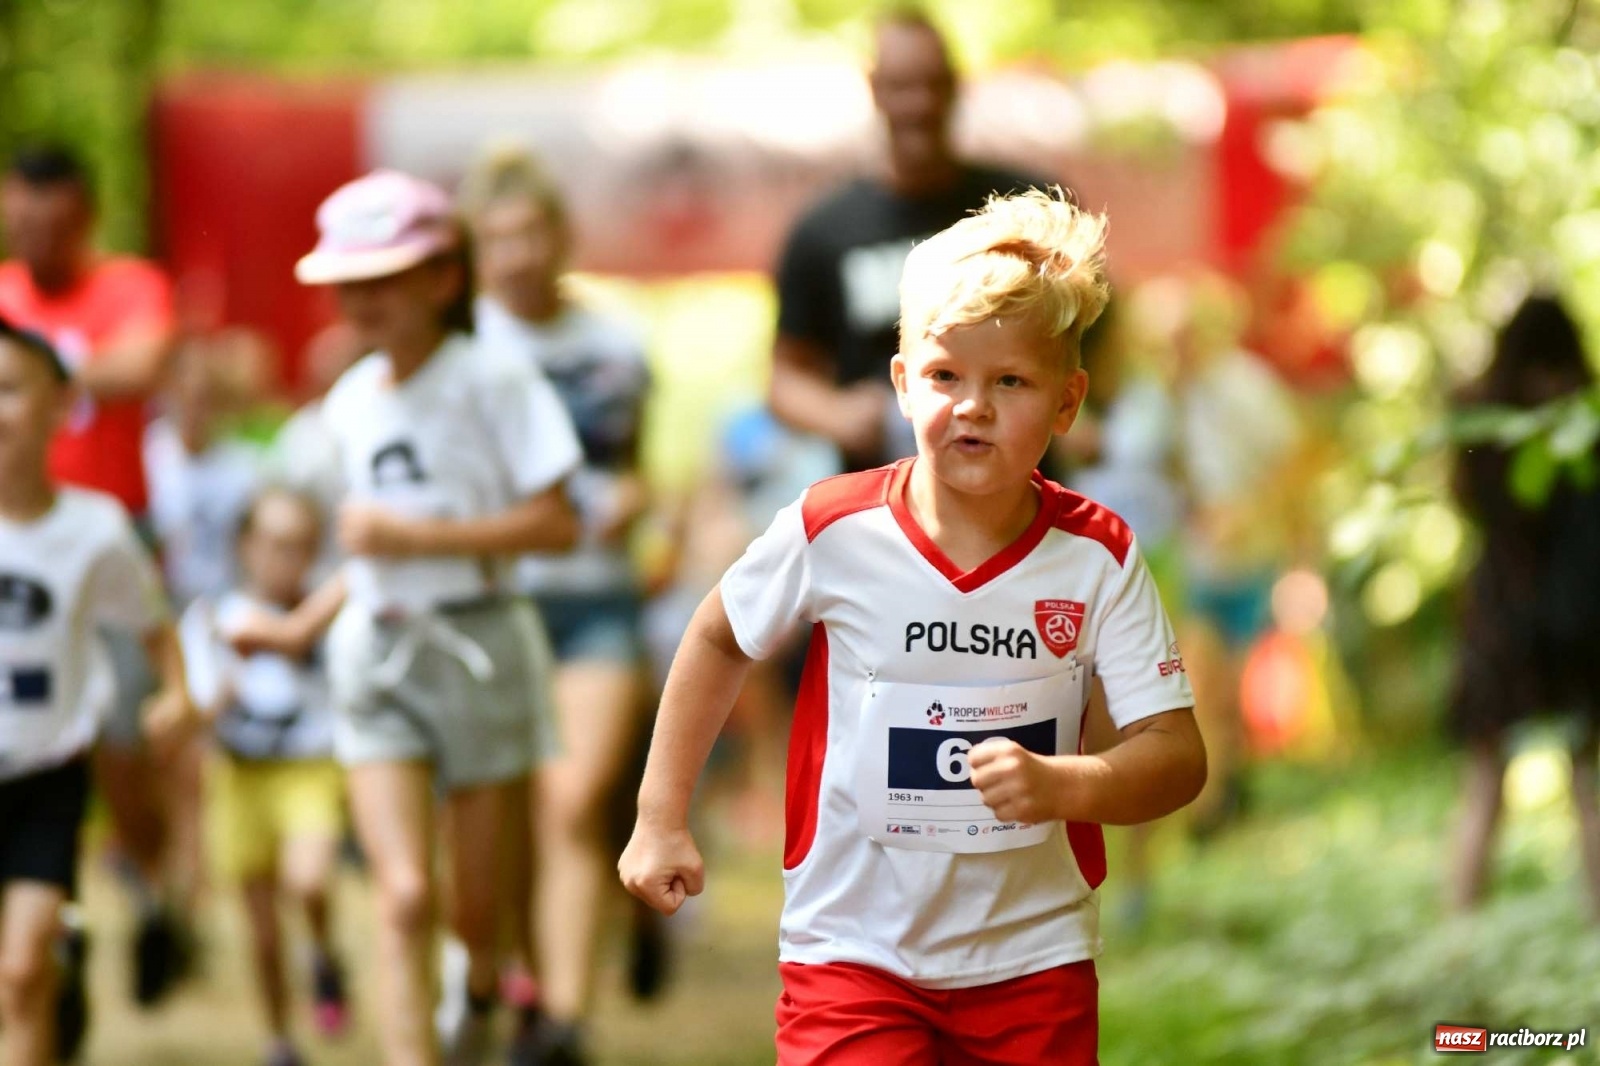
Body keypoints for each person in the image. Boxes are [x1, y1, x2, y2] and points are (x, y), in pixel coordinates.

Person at [621, 189, 1206, 1063]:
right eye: (945, 377)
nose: (972, 405)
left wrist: (1063, 786)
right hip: (852, 951)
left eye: (1010, 381)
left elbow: (1177, 754)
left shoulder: (1098, 557)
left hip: (1032, 960)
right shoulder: (831, 530)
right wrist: (659, 815)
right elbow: (717, 636)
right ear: (902, 382)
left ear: (1068, 403)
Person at [231, 169, 581, 1066]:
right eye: (350, 283)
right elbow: (364, 556)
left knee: (473, 907)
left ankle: (479, 993)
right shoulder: (348, 405)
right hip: (376, 656)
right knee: (400, 896)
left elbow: (557, 520)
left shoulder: (493, 377)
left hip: (480, 646)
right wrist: (300, 626)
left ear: (442, 277)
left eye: (385, 278)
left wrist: (419, 537)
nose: (363, 300)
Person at [459, 147, 652, 1065]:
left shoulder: (619, 345)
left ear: (561, 239)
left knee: (572, 800)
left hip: (598, 601)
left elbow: (638, 467)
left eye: (533, 234)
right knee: (509, 817)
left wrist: (638, 499)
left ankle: (569, 1021)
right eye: (499, 241)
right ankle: (526, 993)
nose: (519, 255)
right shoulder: (462, 352)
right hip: (498, 606)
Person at [0, 145, 192, 1011]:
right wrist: (68, 370)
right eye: (24, 215)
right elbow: (109, 368)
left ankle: (148, 886)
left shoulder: (130, 285)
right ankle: (52, 923)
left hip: (110, 538)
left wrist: (38, 368)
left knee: (125, 732)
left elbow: (144, 362)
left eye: (57, 218)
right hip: (12, 546)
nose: (39, 232)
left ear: (84, 217)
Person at [769, 8, 1048, 473]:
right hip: (882, 497)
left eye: (932, 84)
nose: (919, 104)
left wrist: (1082, 409)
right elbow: (786, 378)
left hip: (1020, 483)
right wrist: (839, 415)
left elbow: (1099, 325)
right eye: (903, 86)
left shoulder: (1021, 210)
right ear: (875, 90)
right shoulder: (824, 232)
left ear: (956, 86)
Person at [179, 487, 350, 1066]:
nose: (287, 558)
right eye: (275, 543)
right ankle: (280, 1038)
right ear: (245, 545)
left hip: (310, 768)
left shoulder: (326, 616)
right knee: (261, 931)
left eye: (301, 545)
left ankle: (324, 954)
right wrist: (212, 699)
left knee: (309, 880)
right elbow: (194, 707)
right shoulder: (211, 618)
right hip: (238, 775)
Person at [1447, 293, 1600, 917]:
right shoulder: (1584, 417)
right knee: (1587, 781)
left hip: (1499, 614)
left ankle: (1459, 929)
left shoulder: (1478, 412)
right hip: (1579, 617)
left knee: (1484, 784)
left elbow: (1465, 501)